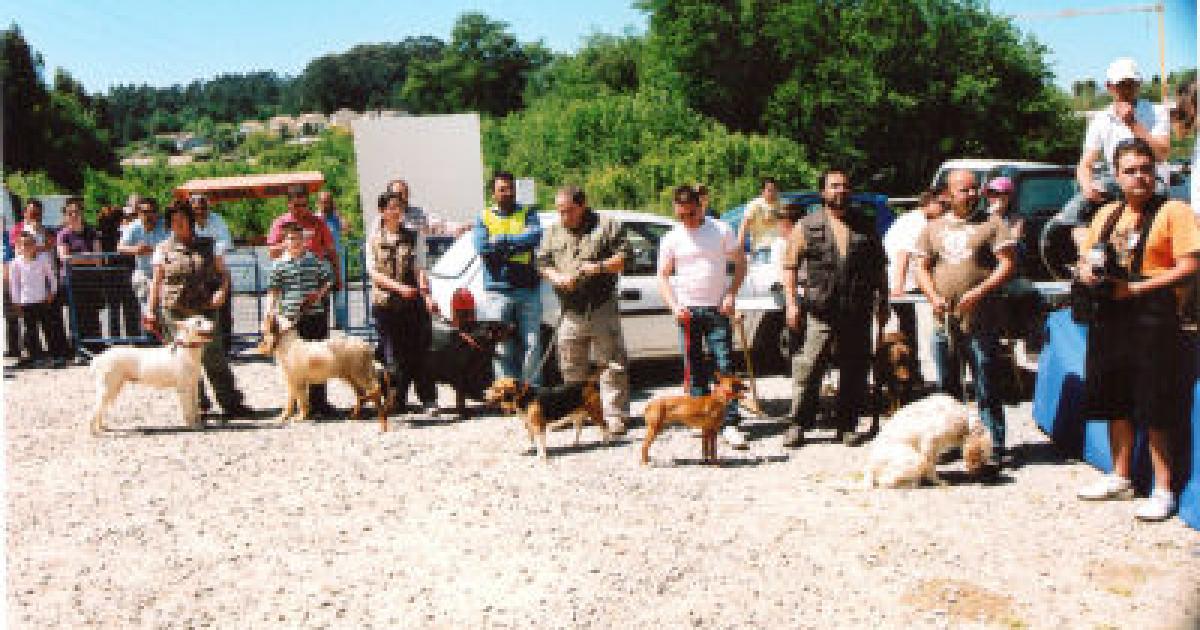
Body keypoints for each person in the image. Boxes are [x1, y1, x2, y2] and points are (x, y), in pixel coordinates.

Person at [1074, 138, 1200, 521]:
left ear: (1156, 172)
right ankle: (1121, 475)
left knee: (1154, 403)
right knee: (1113, 397)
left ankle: (1163, 488)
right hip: (1111, 314)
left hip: (1155, 317)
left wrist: (1138, 288)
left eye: (1146, 168)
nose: (1140, 177)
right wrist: (1087, 273)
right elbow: (1087, 256)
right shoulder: (1107, 213)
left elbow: (1191, 265)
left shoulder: (1174, 211)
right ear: (1116, 175)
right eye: (1130, 170)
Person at [914, 169, 1018, 475]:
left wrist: (980, 291)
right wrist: (932, 295)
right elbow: (921, 266)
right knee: (946, 386)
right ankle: (950, 443)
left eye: (975, 189)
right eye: (964, 190)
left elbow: (1008, 263)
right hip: (943, 319)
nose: (972, 195)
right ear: (947, 194)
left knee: (986, 380)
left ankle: (993, 446)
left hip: (981, 318)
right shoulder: (932, 227)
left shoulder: (992, 224)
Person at [780, 169, 888, 448]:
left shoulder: (866, 225)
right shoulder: (806, 225)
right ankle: (798, 423)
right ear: (823, 192)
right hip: (821, 309)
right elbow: (790, 267)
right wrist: (791, 303)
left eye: (845, 186)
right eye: (834, 186)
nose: (840, 191)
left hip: (858, 309)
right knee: (809, 365)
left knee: (855, 368)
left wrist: (884, 300)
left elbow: (879, 267)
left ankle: (847, 425)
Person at [657, 184, 749, 449]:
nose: (688, 220)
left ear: (701, 206)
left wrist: (731, 293)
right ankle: (700, 419)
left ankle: (730, 423)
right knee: (694, 368)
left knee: (724, 366)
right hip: (687, 311)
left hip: (717, 308)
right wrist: (674, 305)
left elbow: (740, 262)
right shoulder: (671, 237)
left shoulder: (721, 230)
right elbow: (663, 275)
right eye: (682, 215)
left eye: (692, 214)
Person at [537, 185, 632, 434]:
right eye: (560, 211)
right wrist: (556, 277)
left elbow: (625, 258)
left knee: (610, 364)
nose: (563, 217)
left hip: (601, 306)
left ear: (583, 205)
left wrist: (599, 267)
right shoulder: (553, 232)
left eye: (568, 211)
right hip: (570, 310)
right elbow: (542, 263)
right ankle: (576, 411)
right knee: (570, 364)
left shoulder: (607, 225)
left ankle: (614, 415)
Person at [145, 201, 253, 420]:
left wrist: (222, 291)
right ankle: (198, 406)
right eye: (174, 221)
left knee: (215, 357)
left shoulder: (209, 245)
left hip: (205, 309)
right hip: (174, 312)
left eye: (182, 220)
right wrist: (150, 310)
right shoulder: (162, 248)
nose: (178, 224)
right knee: (184, 362)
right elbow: (156, 281)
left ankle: (231, 404)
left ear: (191, 221)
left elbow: (224, 274)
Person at [1060, 58, 1171, 239]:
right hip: (1115, 179)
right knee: (1073, 212)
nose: (1127, 90)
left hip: (1150, 177)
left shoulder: (1156, 112)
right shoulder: (1101, 119)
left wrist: (1133, 123)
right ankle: (1085, 256)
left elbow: (1162, 154)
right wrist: (1087, 186)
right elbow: (1085, 164)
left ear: (1139, 85)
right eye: (1121, 85)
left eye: (1131, 84)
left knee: (1154, 211)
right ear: (1110, 87)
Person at [367, 192, 439, 416]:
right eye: (391, 207)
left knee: (420, 353)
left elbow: (420, 268)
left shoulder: (414, 237)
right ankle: (396, 400)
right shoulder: (373, 240)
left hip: (413, 305)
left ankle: (428, 399)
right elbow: (373, 273)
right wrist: (399, 289)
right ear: (382, 211)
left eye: (399, 207)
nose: (396, 212)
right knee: (392, 356)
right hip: (386, 306)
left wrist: (426, 295)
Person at [473, 171, 545, 386]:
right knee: (503, 346)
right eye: (502, 189)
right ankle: (506, 393)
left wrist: (503, 241)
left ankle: (532, 392)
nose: (508, 192)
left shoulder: (528, 213)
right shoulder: (484, 217)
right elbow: (482, 247)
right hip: (498, 289)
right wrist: (515, 245)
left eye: (510, 188)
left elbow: (535, 236)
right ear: (493, 193)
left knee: (532, 343)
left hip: (527, 288)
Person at [268, 221, 340, 418]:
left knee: (318, 361)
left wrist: (319, 294)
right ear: (285, 241)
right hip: (290, 323)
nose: (295, 242)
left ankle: (319, 404)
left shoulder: (314, 260)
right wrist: (269, 313)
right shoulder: (278, 265)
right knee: (292, 366)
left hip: (314, 317)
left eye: (299, 238)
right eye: (291, 238)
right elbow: (273, 292)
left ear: (305, 241)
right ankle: (298, 406)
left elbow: (328, 278)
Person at [883, 188, 947, 378]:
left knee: (911, 330)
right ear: (928, 203)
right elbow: (903, 254)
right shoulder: (914, 223)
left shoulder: (927, 221)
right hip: (902, 284)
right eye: (942, 204)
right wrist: (898, 287)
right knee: (908, 331)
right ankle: (910, 373)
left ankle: (913, 374)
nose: (946, 208)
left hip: (912, 282)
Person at [11, 199, 69, 366]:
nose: (35, 215)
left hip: (48, 278)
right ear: (25, 213)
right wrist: (40, 247)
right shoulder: (20, 230)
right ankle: (34, 353)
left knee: (53, 321)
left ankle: (58, 351)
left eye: (38, 212)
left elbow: (52, 245)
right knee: (31, 326)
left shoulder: (46, 230)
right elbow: (19, 250)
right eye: (32, 211)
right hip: (29, 280)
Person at [56, 197, 103, 354]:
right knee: (76, 315)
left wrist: (79, 258)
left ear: (82, 213)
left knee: (92, 314)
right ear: (65, 215)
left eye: (76, 212)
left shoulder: (91, 232)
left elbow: (98, 258)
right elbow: (64, 258)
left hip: (91, 280)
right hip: (73, 282)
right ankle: (78, 347)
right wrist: (86, 257)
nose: (74, 215)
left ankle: (96, 345)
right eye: (70, 213)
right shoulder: (63, 234)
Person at [8, 232, 62, 368]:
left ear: (34, 245)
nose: (27, 247)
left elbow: (51, 277)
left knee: (48, 328)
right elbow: (14, 284)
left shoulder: (42, 259)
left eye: (29, 244)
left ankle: (55, 355)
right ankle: (35, 356)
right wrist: (16, 302)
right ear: (19, 246)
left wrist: (52, 292)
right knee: (31, 331)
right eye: (23, 244)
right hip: (26, 301)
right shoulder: (15, 263)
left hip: (42, 300)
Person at [117, 197, 170, 315]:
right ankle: (148, 330)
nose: (148, 215)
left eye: (152, 211)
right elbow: (120, 247)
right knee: (147, 312)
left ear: (157, 213)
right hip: (144, 273)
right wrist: (136, 249)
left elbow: (174, 244)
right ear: (139, 213)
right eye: (145, 212)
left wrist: (156, 250)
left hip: (164, 273)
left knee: (164, 311)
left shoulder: (166, 226)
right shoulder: (133, 227)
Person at [314, 190, 348, 330]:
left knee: (340, 294)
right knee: (323, 295)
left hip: (338, 260)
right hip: (322, 262)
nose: (325, 204)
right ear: (318, 203)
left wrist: (337, 213)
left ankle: (341, 326)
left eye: (328, 201)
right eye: (323, 201)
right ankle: (324, 327)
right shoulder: (315, 218)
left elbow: (346, 229)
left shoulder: (335, 218)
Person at [738, 177, 781, 255]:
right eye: (769, 190)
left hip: (778, 248)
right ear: (763, 191)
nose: (772, 193)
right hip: (761, 249)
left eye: (775, 190)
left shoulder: (781, 205)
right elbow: (743, 227)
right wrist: (740, 250)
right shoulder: (754, 205)